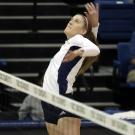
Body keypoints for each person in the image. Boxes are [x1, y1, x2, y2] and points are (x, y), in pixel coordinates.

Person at [41, 2, 100, 135]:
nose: (71, 22)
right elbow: (91, 40)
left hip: (62, 99)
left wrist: (78, 52)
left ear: (83, 31)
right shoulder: (68, 45)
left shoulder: (77, 40)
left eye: (76, 21)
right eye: (71, 19)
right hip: (47, 100)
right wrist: (94, 26)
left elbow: (95, 49)